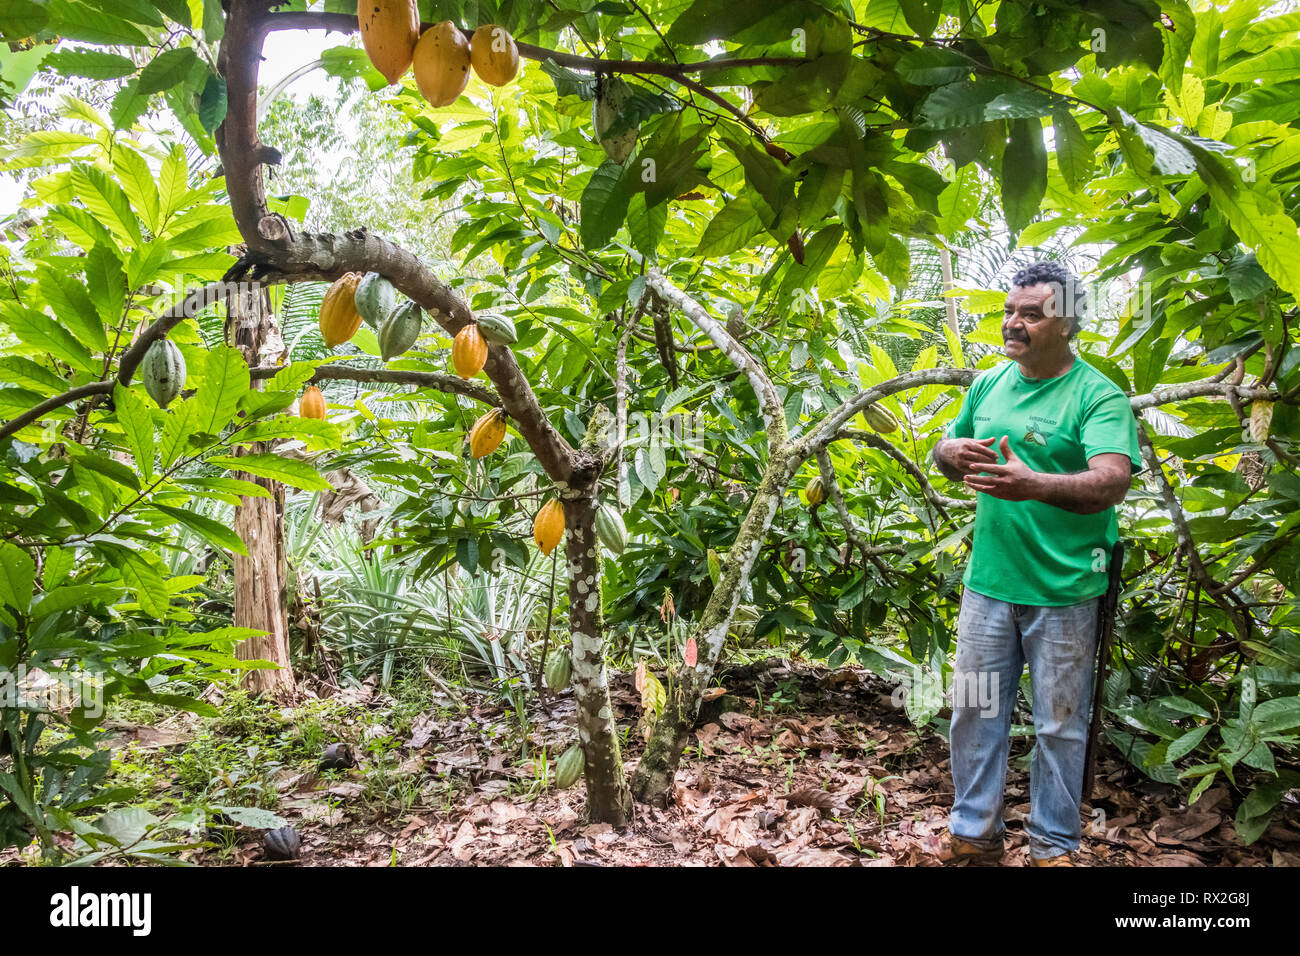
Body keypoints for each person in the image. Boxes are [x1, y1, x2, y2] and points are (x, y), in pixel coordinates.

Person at [928, 261, 1142, 866]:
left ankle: (1053, 848)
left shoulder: (1098, 395)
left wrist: (1035, 485)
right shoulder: (989, 385)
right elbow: (949, 450)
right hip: (989, 583)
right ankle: (974, 836)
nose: (1012, 324)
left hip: (1067, 589)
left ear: (1067, 322)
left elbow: (1110, 482)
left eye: (1030, 313)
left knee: (1059, 725)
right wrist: (948, 450)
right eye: (1008, 311)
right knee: (974, 712)